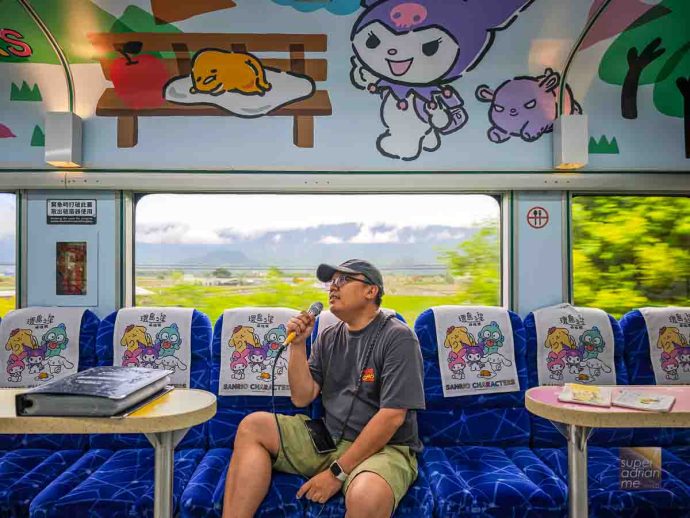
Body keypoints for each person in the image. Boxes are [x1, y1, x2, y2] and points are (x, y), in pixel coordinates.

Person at [222, 259, 425, 518]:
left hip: (385, 447)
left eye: (343, 280)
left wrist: (336, 473)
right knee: (253, 426)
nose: (333, 287)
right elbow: (302, 397)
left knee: (367, 496)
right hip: (330, 436)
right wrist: (298, 345)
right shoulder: (328, 336)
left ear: (370, 291)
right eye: (332, 282)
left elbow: (392, 417)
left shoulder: (398, 337)